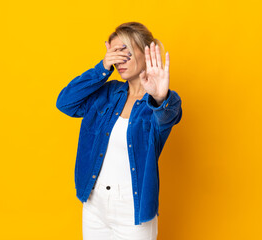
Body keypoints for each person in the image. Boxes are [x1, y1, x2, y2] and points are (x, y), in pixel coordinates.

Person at [56, 22, 182, 240]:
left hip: (133, 209)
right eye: (114, 52)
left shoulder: (156, 102)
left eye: (126, 51)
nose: (119, 59)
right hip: (95, 204)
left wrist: (161, 98)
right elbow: (65, 103)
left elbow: (169, 117)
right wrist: (102, 68)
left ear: (146, 53)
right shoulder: (107, 92)